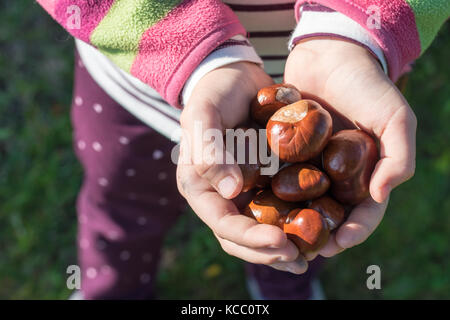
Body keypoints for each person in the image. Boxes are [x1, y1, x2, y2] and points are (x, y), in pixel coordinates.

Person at [36, 0, 449, 299]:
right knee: (122, 204)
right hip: (138, 83)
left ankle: (286, 283)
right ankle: (112, 288)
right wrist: (192, 49)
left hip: (341, 73)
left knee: (292, 236)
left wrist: (353, 34)